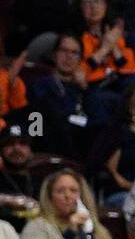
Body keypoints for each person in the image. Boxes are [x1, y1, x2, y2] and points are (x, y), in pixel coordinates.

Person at [26, 34, 92, 162]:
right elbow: (37, 124)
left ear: (80, 59)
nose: (68, 57)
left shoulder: (85, 90)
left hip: (79, 155)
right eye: (64, 51)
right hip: (46, 150)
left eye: (74, 53)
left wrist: (84, 88)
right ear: (54, 54)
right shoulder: (40, 85)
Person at [94, 81, 135, 198]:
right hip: (124, 193)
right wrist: (132, 187)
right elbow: (111, 173)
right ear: (132, 108)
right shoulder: (118, 135)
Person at [76, 0, 135, 89]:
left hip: (124, 83)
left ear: (105, 5)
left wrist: (114, 47)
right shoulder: (75, 37)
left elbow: (131, 70)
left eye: (97, 1)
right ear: (80, 7)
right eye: (87, 3)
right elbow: (79, 72)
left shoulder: (119, 33)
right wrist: (104, 49)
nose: (93, 7)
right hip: (95, 87)